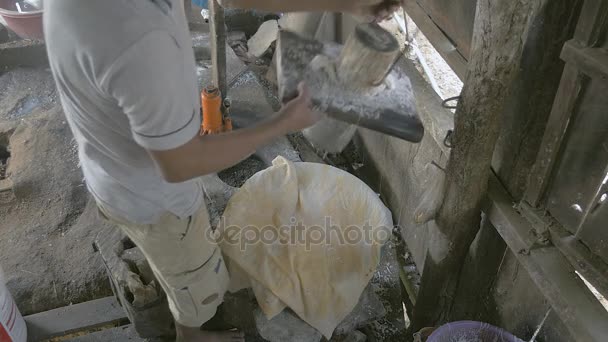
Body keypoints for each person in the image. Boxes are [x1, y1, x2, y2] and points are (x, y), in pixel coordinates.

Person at [44, 0, 401, 341]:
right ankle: (191, 332)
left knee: (172, 254)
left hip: (113, 169)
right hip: (153, 201)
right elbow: (179, 164)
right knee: (195, 279)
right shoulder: (138, 45)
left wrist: (343, 6)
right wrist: (285, 122)